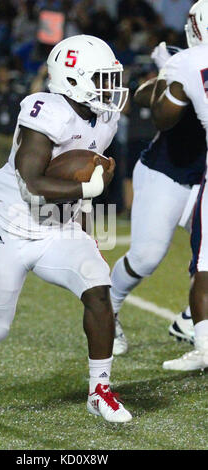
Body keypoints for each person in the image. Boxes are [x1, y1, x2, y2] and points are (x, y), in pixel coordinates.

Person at [0, 35, 132, 423]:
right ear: (72, 80)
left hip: (58, 227)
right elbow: (32, 181)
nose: (110, 88)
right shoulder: (46, 111)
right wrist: (89, 187)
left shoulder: (104, 113)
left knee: (99, 291)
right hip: (12, 225)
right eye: (101, 79)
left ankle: (99, 389)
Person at [110, 43, 207, 356]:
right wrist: (168, 80)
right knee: (146, 257)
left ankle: (192, 319)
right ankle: (106, 309)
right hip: (168, 174)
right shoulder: (188, 64)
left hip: (203, 180)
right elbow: (146, 100)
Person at [151, 0, 208, 371]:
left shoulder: (188, 61)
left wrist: (166, 79)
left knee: (205, 265)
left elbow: (164, 116)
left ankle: (204, 346)